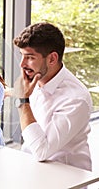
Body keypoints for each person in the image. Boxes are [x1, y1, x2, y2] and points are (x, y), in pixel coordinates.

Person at [13, 22, 92, 171]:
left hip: (66, 179)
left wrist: (23, 102)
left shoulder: (75, 99)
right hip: (33, 169)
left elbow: (41, 151)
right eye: (22, 56)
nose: (22, 64)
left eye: (30, 57)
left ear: (52, 59)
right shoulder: (35, 79)